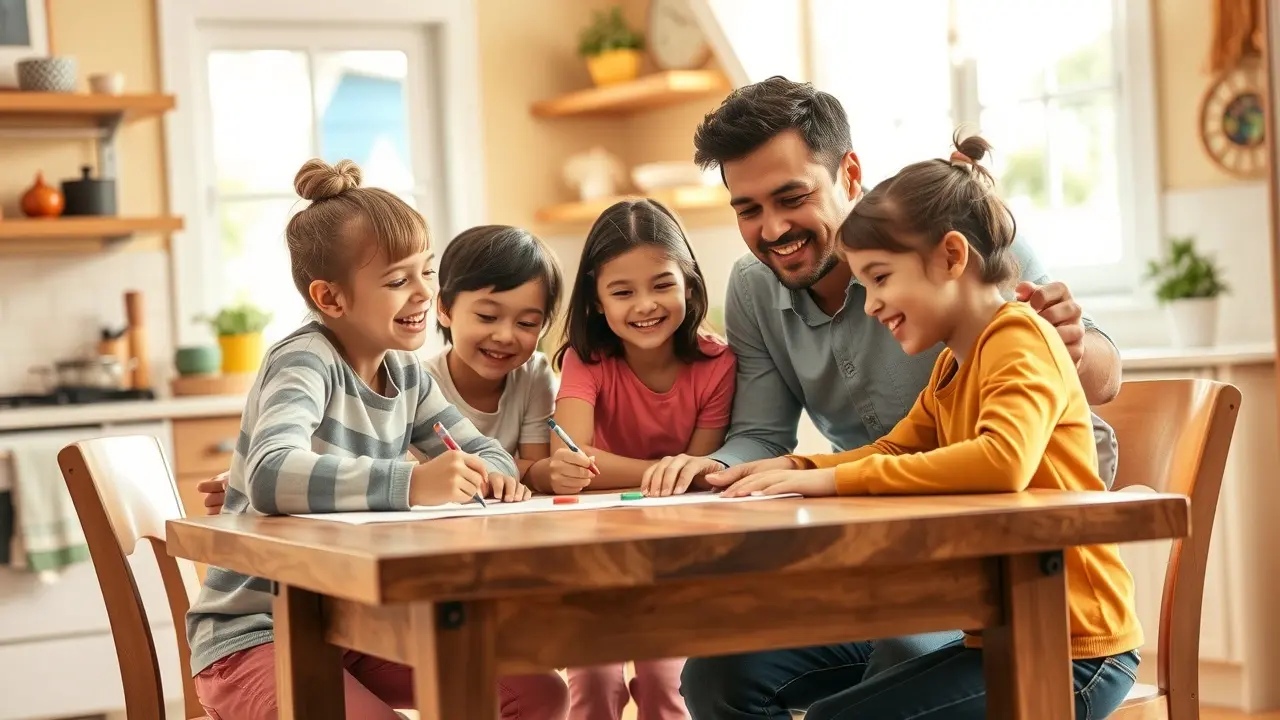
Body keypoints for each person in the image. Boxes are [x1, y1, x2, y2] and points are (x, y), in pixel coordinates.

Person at [641, 77, 1123, 719]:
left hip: (1017, 571)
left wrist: (1068, 344)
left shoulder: (954, 237)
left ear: (849, 171)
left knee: (892, 667)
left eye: (792, 196)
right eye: (747, 208)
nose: (773, 227)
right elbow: (794, 436)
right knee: (716, 678)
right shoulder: (765, 291)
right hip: (890, 547)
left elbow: (1078, 395)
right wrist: (742, 470)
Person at [186, 158, 569, 720]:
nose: (423, 294)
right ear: (331, 298)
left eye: (426, 272)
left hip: (354, 625)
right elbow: (269, 472)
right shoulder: (304, 361)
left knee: (539, 693)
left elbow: (487, 453)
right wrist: (412, 481)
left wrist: (493, 476)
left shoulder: (406, 374)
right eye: (396, 281)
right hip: (256, 634)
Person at [531, 198, 737, 720]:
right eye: (622, 292)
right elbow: (573, 458)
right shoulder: (587, 359)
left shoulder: (718, 364)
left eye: (662, 284)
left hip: (677, 555)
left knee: (668, 684)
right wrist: (665, 471)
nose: (645, 304)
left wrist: (676, 471)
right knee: (595, 682)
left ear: (689, 284)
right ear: (598, 301)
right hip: (594, 555)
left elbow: (700, 472)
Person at [427, 224, 564, 497]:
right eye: (487, 317)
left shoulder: (533, 374)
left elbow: (535, 466)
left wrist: (538, 471)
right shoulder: (419, 385)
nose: (504, 336)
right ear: (444, 308)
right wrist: (521, 469)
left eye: (526, 323)